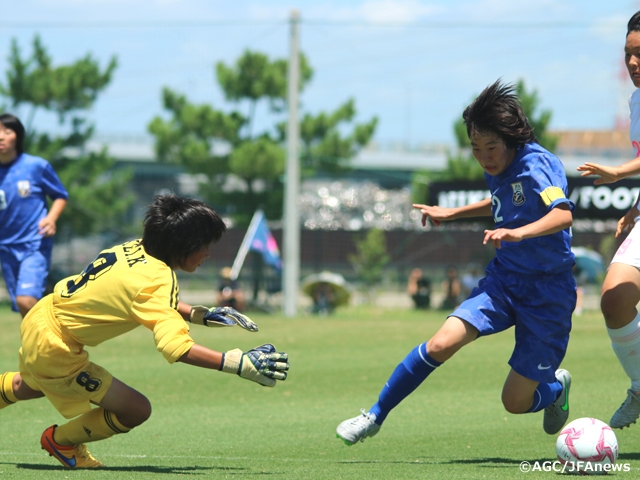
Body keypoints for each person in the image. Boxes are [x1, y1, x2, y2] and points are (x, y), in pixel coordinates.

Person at [336, 80, 576, 446]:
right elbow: (500, 202)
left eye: (491, 147)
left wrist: (519, 233)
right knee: (440, 344)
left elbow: (561, 215)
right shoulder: (497, 167)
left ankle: (555, 389)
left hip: (549, 293)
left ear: (512, 139)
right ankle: (374, 416)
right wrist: (454, 213)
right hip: (505, 280)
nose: (484, 157)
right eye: (475, 148)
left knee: (514, 402)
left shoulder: (538, 164)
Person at [0, 194, 289, 469]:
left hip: (42, 315)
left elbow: (144, 297)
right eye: (204, 245)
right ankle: (61, 442)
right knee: (136, 410)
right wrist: (239, 364)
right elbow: (176, 348)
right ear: (183, 244)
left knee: (32, 384)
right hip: (56, 347)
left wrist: (200, 315)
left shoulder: (134, 247)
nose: (208, 253)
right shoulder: (159, 278)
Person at [575, 10, 640, 429]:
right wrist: (634, 210)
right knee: (615, 298)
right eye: (627, 54)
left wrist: (619, 172)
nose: (632, 63)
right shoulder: (637, 100)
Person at [0, 113, 68, 317]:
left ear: (18, 137)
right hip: (6, 247)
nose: (1, 137)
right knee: (25, 309)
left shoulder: (35, 166)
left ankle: (61, 337)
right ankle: (39, 347)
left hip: (34, 244)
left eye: (7, 131)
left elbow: (60, 195)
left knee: (26, 300)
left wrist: (51, 218)